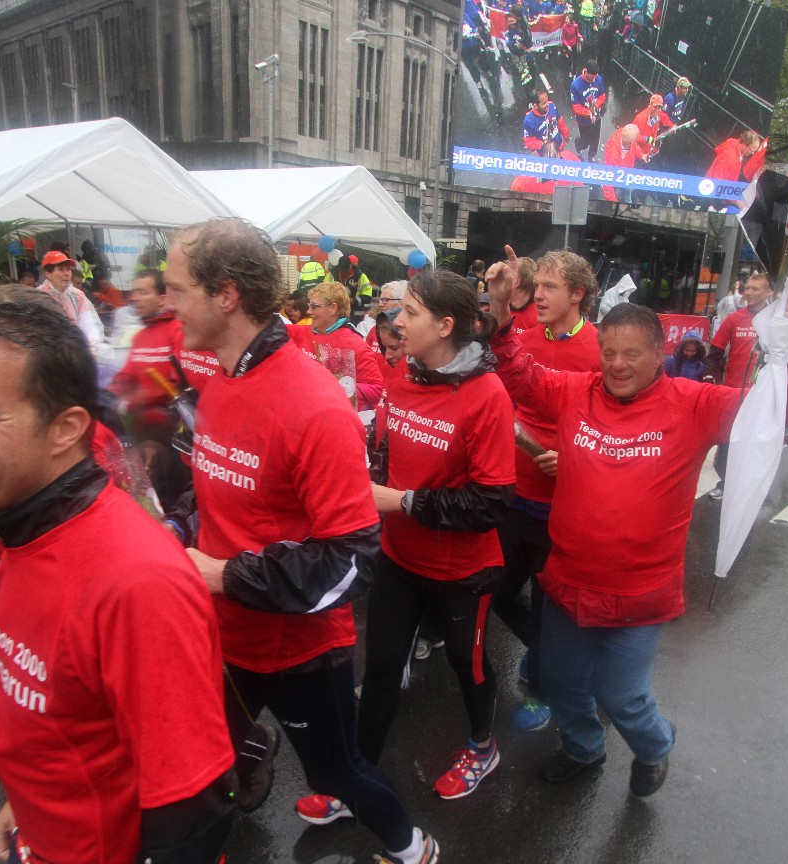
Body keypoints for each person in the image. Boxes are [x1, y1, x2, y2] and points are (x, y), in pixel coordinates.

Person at [484, 245, 788, 796]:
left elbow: (779, 411)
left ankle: (655, 744)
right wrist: (500, 312)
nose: (617, 365)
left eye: (632, 354)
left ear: (660, 353)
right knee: (562, 682)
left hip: (639, 593)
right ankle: (583, 748)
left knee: (622, 694)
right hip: (569, 581)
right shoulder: (575, 392)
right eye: (609, 353)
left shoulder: (693, 403)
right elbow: (518, 372)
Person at [162, 218, 438, 864]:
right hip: (220, 639)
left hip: (299, 653)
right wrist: (171, 530)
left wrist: (222, 575)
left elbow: (352, 561)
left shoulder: (313, 404)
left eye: (176, 289)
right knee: (193, 767)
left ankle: (412, 848)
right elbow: (210, 492)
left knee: (337, 773)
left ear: (226, 295)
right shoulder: (219, 382)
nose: (167, 303)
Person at [0, 300, 237, 864]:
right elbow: (58, 710)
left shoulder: (137, 582)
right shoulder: (18, 526)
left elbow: (192, 811)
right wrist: (28, 800)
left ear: (66, 429)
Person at [354, 269, 514, 802]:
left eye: (410, 312)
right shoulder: (404, 372)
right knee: (380, 666)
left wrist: (400, 501)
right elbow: (389, 450)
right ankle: (357, 778)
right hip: (398, 556)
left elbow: (492, 503)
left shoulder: (486, 394)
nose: (396, 321)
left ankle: (483, 746)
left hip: (462, 571)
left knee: (467, 666)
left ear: (446, 326)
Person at [494, 251, 601, 734]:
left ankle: (543, 689)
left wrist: (574, 458)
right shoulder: (524, 341)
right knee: (497, 589)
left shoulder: (600, 349)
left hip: (563, 504)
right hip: (515, 493)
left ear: (577, 294)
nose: (537, 295)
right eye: (536, 285)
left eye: (549, 287)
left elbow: (615, 429)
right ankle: (544, 653)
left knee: (545, 603)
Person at [706, 273, 775, 498]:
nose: (749, 292)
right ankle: (726, 483)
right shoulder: (734, 319)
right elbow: (715, 352)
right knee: (729, 440)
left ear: (768, 293)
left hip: (762, 395)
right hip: (734, 394)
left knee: (756, 443)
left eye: (756, 289)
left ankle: (751, 487)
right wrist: (713, 380)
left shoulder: (775, 321)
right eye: (748, 288)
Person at [108, 269, 184, 443]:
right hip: (142, 424)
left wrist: (133, 401)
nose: (134, 298)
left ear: (162, 299)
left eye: (143, 292)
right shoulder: (140, 337)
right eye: (134, 292)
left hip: (171, 428)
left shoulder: (177, 330)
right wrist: (108, 395)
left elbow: (177, 384)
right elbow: (125, 377)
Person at [303, 281, 385, 411]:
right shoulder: (302, 332)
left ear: (333, 308)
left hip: (337, 416)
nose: (308, 311)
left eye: (314, 306)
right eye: (309, 305)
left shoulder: (355, 344)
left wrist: (336, 388)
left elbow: (376, 390)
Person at [38, 249, 104, 351]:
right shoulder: (38, 297)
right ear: (48, 274)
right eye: (60, 269)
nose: (66, 273)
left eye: (68, 269)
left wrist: (90, 347)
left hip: (75, 352)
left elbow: (90, 326)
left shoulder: (78, 295)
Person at [569, 65, 608, 161]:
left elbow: (602, 96)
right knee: (585, 142)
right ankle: (579, 143)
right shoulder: (575, 85)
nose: (593, 80)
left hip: (596, 117)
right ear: (586, 72)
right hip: (583, 121)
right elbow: (576, 107)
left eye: (595, 77)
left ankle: (591, 155)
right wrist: (589, 113)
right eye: (591, 78)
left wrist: (595, 107)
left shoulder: (598, 79)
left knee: (595, 139)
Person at [601, 123, 640, 203]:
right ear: (629, 143)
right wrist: (614, 202)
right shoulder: (613, 154)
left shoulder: (625, 135)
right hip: (618, 177)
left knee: (627, 190)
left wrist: (642, 155)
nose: (634, 142)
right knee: (617, 189)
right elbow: (607, 182)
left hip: (626, 173)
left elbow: (635, 146)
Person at [523, 90, 570, 155]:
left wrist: (565, 134)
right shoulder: (529, 120)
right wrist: (542, 144)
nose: (548, 104)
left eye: (547, 100)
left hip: (559, 147)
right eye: (544, 103)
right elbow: (528, 141)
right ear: (536, 106)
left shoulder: (552, 106)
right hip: (544, 154)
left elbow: (560, 120)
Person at [631, 94, 673, 164]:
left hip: (647, 151)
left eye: (659, 107)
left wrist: (672, 126)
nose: (657, 110)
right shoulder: (640, 119)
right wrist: (648, 140)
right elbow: (634, 138)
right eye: (655, 107)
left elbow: (663, 118)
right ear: (650, 105)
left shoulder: (657, 115)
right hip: (637, 153)